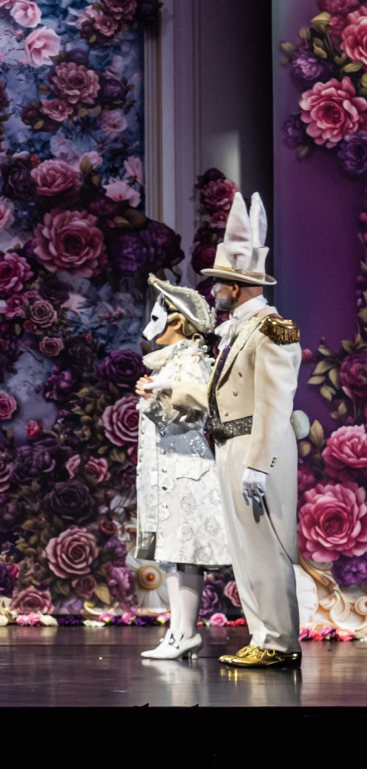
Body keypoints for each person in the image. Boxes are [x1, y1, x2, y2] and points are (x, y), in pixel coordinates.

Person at [195, 192, 303, 668]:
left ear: (237, 287)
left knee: (265, 545)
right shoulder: (239, 328)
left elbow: (275, 405)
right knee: (245, 547)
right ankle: (263, 636)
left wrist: (258, 464)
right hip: (231, 444)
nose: (214, 289)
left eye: (219, 282)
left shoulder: (271, 329)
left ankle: (279, 641)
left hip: (258, 447)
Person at [132, 276, 231, 661]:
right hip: (168, 470)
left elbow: (198, 406)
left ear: (176, 322)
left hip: (186, 469)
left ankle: (185, 632)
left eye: (158, 316)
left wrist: (157, 393)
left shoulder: (190, 358)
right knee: (173, 552)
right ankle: (179, 632)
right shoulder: (172, 360)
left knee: (185, 551)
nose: (151, 324)